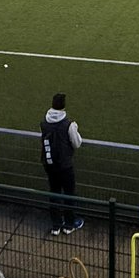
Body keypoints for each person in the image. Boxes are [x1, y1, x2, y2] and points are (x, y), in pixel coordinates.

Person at [41, 92, 84, 235]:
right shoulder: (69, 124)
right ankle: (69, 224)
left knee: (54, 192)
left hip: (49, 164)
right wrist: (75, 129)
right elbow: (77, 143)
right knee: (69, 194)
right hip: (65, 165)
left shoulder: (44, 122)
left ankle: (56, 225)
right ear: (63, 107)